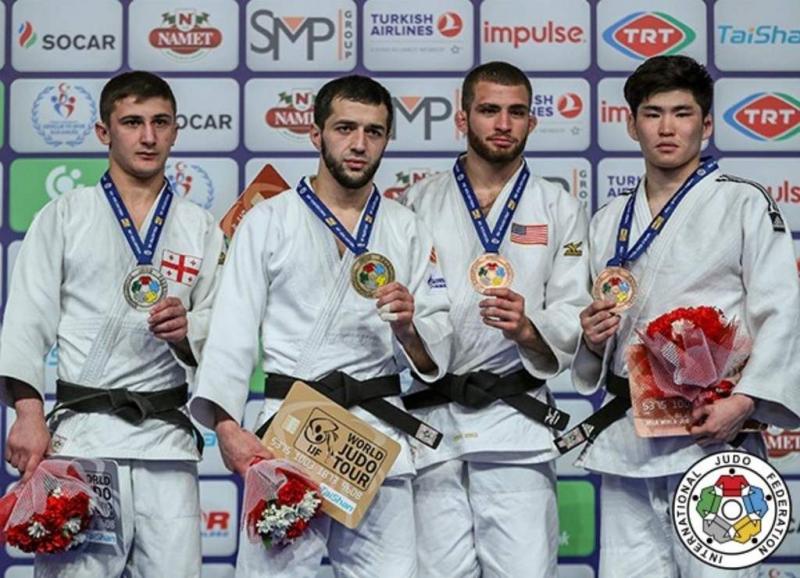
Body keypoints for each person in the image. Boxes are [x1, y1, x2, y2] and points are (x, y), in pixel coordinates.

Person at [189, 75, 452, 578]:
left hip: (375, 437)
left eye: (374, 132)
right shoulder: (267, 220)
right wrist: (226, 426)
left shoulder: (406, 227)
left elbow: (434, 347)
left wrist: (409, 329)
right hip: (287, 435)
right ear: (316, 134)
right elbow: (231, 331)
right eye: (345, 128)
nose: (359, 144)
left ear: (387, 140)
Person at [568, 55, 800, 577]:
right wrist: (592, 338)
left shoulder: (744, 203)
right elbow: (595, 343)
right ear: (632, 125)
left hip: (715, 437)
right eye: (652, 114)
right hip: (629, 439)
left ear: (707, 123)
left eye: (682, 113)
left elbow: (782, 311)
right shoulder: (608, 221)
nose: (667, 128)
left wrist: (745, 401)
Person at [0, 71, 224, 577]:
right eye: (132, 122)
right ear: (104, 132)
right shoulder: (64, 216)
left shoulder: (199, 226)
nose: (148, 136)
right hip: (82, 441)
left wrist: (189, 328)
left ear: (175, 131)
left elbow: (224, 328)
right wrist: (29, 414)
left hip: (166, 444)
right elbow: (26, 321)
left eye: (160, 123)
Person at [400, 61, 590, 578]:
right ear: (463, 118)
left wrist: (530, 329)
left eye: (516, 112)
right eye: (489, 110)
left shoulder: (558, 206)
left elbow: (573, 306)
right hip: (434, 423)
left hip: (515, 424)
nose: (503, 124)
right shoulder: (417, 202)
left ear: (532, 122)